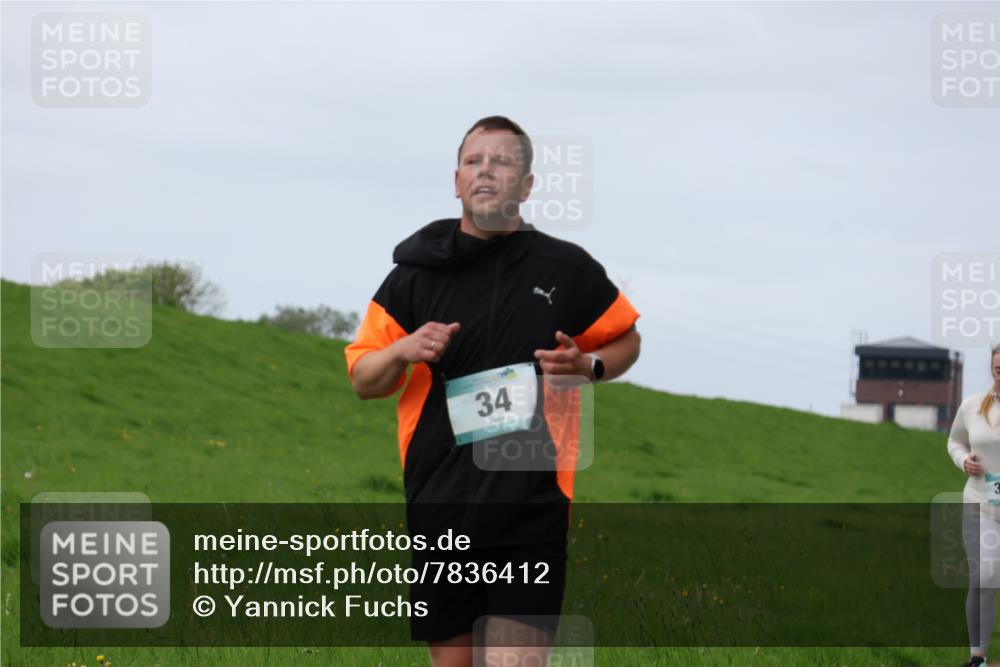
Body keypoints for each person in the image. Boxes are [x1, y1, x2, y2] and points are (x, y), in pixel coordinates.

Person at [345, 116, 641, 667]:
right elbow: (365, 379)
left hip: (530, 508)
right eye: (475, 162)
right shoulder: (412, 276)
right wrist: (401, 350)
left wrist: (590, 365)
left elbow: (627, 338)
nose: (487, 172)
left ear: (526, 185)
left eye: (503, 162)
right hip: (439, 505)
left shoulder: (566, 268)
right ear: (456, 180)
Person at [948, 343, 1000, 667]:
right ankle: (977, 656)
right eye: (998, 370)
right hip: (980, 502)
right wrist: (962, 459)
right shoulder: (971, 406)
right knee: (985, 576)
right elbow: (954, 440)